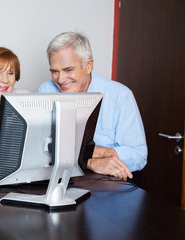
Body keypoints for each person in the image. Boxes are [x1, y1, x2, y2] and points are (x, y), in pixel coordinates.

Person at [38, 32, 147, 180]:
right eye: (54, 72)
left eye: (68, 70)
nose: (61, 79)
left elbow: (139, 155)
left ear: (88, 66)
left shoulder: (120, 95)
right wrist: (89, 161)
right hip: (64, 177)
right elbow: (42, 148)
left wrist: (94, 152)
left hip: (110, 181)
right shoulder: (46, 90)